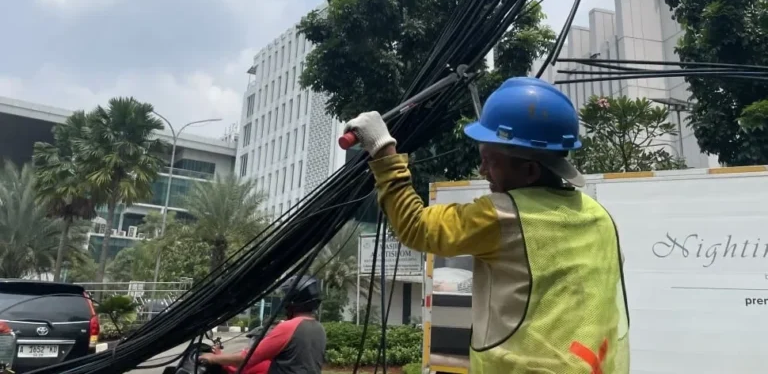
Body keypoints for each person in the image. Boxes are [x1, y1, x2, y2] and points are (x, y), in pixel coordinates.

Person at [344, 77, 630, 374]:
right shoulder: (601, 218)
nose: (482, 171)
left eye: (490, 160)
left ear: (530, 171)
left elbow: (416, 226)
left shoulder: (502, 217)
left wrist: (383, 149)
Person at [199, 276, 327, 374]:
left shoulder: (289, 326)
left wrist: (213, 358)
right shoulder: (319, 329)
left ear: (292, 300)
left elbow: (248, 358)